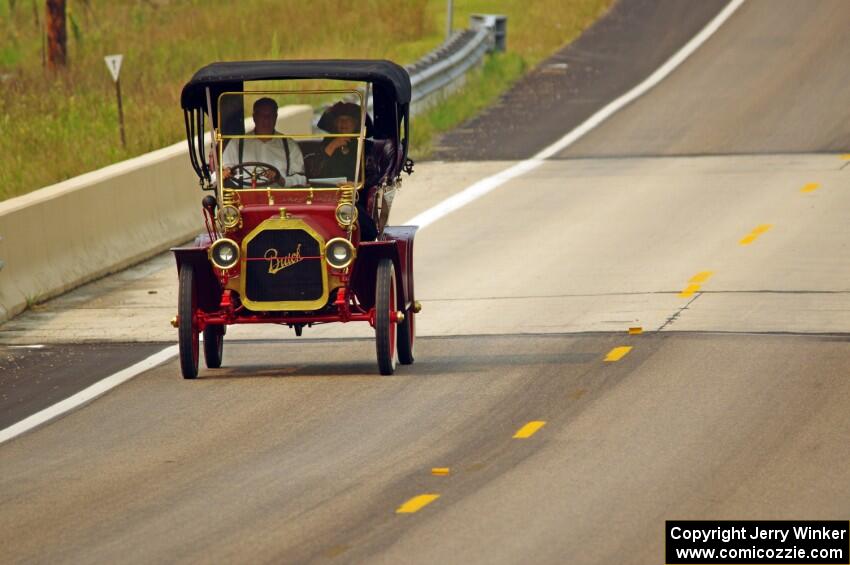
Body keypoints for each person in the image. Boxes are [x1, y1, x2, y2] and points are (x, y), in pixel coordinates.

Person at [317, 102, 378, 240]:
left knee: (366, 228)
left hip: (354, 198)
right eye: (339, 120)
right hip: (325, 197)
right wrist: (331, 147)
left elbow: (375, 176)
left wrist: (356, 184)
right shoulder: (326, 145)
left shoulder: (366, 147)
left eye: (348, 120)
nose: (343, 123)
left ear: (356, 123)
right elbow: (313, 172)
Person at [221, 97, 306, 188]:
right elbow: (221, 173)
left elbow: (302, 179)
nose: (266, 120)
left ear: (276, 117)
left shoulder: (289, 145)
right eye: (262, 115)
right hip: (243, 198)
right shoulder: (237, 143)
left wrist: (281, 179)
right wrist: (226, 172)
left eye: (270, 115)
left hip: (279, 198)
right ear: (254, 117)